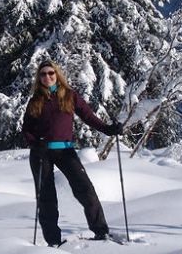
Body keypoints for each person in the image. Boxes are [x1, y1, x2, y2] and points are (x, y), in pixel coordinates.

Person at [21, 60, 123, 247]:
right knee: (46, 198)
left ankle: (101, 232)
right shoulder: (35, 100)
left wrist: (108, 129)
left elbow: (88, 116)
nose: (47, 77)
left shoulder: (69, 96)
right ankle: (53, 242)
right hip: (41, 153)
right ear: (39, 78)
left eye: (51, 73)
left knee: (86, 190)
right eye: (43, 74)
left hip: (65, 151)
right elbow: (26, 129)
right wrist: (35, 144)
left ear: (57, 74)